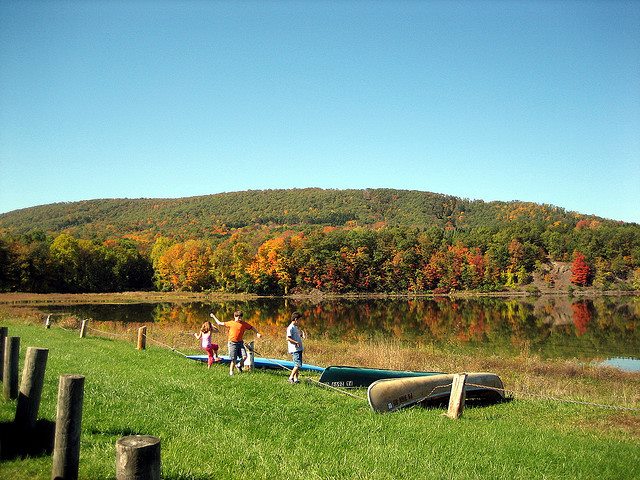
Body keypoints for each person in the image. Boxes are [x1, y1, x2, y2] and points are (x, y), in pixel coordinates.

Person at [211, 310, 261, 376]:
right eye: (237, 317)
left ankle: (238, 365)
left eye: (240, 317)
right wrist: (213, 316)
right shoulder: (231, 323)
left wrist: (257, 333)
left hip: (240, 343)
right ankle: (231, 372)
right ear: (234, 316)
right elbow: (219, 323)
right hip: (232, 343)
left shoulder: (244, 324)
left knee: (245, 356)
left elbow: (252, 327)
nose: (239, 319)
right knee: (233, 359)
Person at [286, 312, 305, 384]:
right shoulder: (290, 328)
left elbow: (297, 335)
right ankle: (290, 378)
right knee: (297, 365)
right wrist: (296, 343)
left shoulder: (295, 327)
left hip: (299, 349)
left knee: (297, 365)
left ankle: (296, 379)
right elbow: (288, 338)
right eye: (300, 320)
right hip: (295, 349)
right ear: (296, 319)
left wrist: (302, 335)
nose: (300, 321)